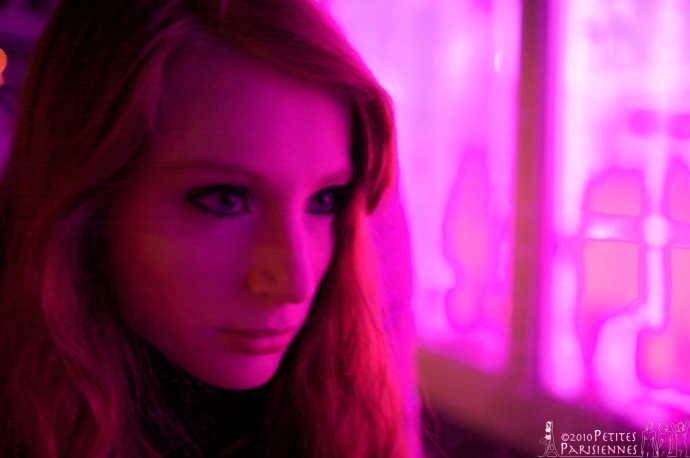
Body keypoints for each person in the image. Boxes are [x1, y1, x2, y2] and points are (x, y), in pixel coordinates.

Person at [0, 0, 415, 456]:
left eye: (324, 201)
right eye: (226, 200)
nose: (295, 283)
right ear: (88, 206)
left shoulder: (346, 393)